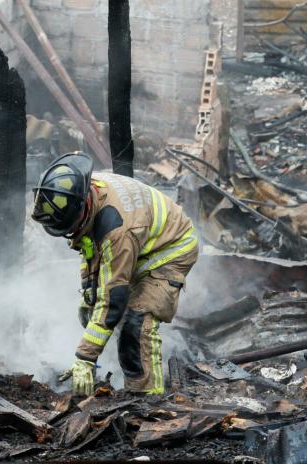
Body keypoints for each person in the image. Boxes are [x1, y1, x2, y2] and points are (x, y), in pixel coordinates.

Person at [31, 152, 198, 396]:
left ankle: (147, 399)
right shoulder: (84, 189)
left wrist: (85, 357)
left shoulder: (117, 231)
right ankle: (113, 365)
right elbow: (91, 250)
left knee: (136, 322)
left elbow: (113, 298)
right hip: (140, 243)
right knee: (100, 310)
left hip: (172, 249)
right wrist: (89, 296)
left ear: (81, 209)